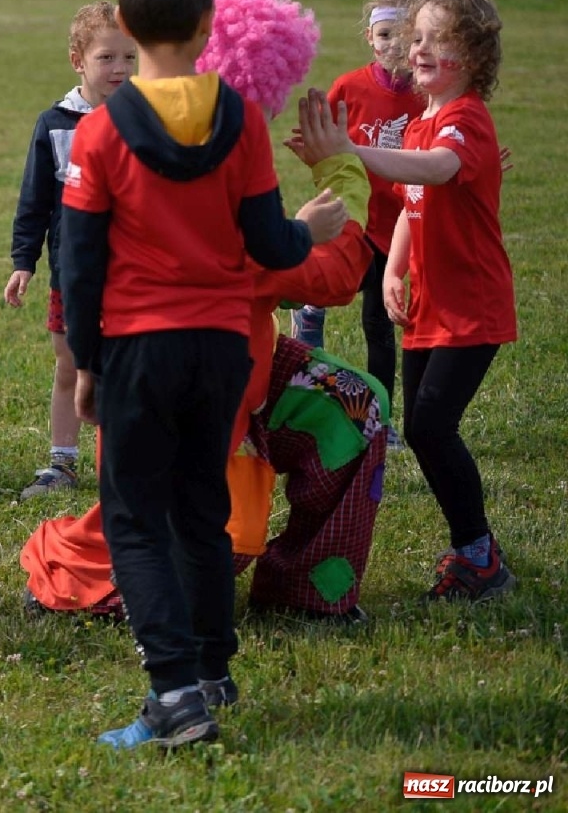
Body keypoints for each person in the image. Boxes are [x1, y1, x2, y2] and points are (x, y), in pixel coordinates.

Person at [59, 0, 346, 748]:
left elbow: (80, 266)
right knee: (202, 509)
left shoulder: (101, 133)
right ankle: (215, 673)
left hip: (143, 349)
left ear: (124, 17)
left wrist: (88, 362)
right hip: (223, 350)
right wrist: (309, 227)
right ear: (207, 22)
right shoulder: (242, 122)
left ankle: (175, 699)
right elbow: (270, 245)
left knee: (136, 521)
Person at [24, 94, 386, 627]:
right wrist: (337, 173)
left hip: (242, 380)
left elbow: (295, 277)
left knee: (353, 408)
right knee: (207, 548)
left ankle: (306, 590)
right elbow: (332, 272)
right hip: (180, 409)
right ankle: (73, 569)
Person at [341, 0, 516, 602]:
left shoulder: (464, 119)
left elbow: (438, 171)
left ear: (469, 58)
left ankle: (480, 557)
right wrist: (392, 267)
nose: (416, 49)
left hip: (472, 305)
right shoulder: (422, 121)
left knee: (433, 427)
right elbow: (415, 202)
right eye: (415, 37)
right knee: (420, 427)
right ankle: (473, 550)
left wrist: (354, 151)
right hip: (427, 305)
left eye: (434, 40)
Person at [4, 1, 136, 498]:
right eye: (107, 58)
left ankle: (123, 460)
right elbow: (34, 200)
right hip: (73, 272)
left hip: (132, 274)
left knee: (126, 366)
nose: (120, 69)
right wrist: (24, 262)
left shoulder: (145, 119)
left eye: (129, 57)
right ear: (78, 60)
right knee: (71, 364)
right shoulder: (55, 124)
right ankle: (62, 462)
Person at [290, 0, 422, 441]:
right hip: (353, 216)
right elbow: (323, 140)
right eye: (385, 35)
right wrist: (313, 150)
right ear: (370, 37)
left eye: (405, 38)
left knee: (380, 327)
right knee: (327, 287)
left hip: (397, 225)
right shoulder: (349, 86)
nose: (394, 47)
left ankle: (382, 423)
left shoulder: (426, 96)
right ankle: (307, 322)